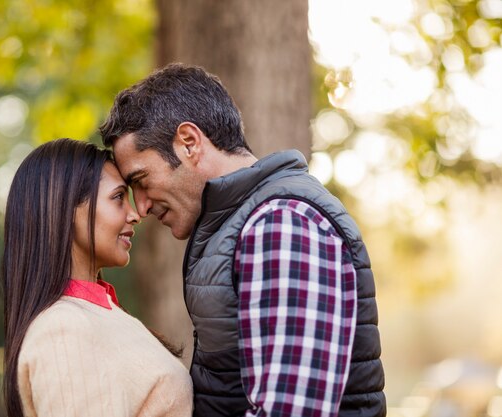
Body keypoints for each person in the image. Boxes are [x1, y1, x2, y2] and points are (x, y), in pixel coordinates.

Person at [100, 64, 386, 417]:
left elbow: (292, 410)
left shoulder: (283, 225)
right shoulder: (242, 227)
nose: (140, 206)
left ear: (189, 143)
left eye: (141, 180)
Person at [0, 138, 193, 417]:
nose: (135, 214)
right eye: (117, 198)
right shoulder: (63, 331)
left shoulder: (97, 314)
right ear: (64, 210)